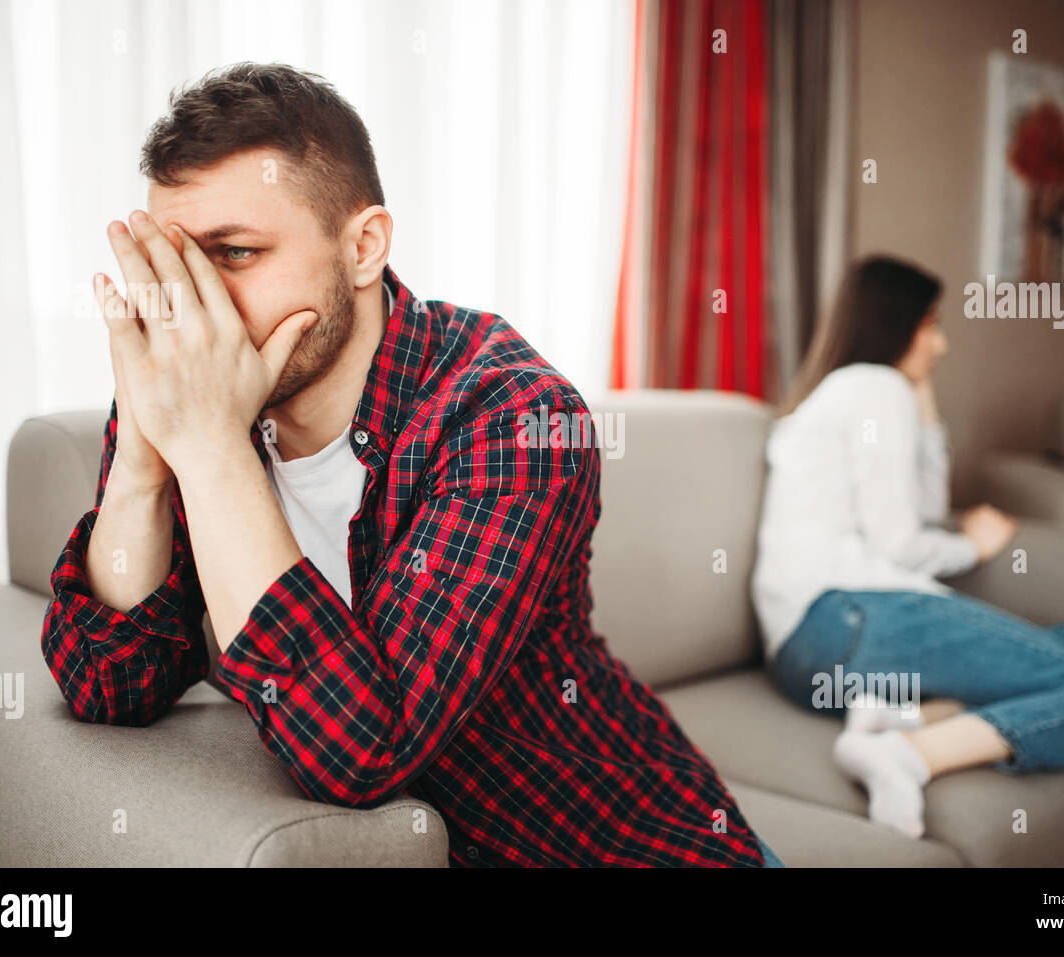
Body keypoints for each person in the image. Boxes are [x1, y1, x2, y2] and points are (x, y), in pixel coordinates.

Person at [40, 62, 772, 867]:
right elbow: (110, 681)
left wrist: (208, 447)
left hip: (624, 845)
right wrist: (146, 458)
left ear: (364, 246)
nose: (196, 309)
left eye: (236, 254)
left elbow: (361, 750)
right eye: (175, 267)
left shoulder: (515, 416)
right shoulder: (197, 389)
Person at [751, 255, 1064, 839]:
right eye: (930, 325)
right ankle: (909, 755)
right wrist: (972, 546)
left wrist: (926, 408)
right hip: (847, 615)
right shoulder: (874, 385)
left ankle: (897, 717)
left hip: (807, 653)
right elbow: (902, 543)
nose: (940, 346)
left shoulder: (850, 392)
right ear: (896, 324)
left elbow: (920, 509)